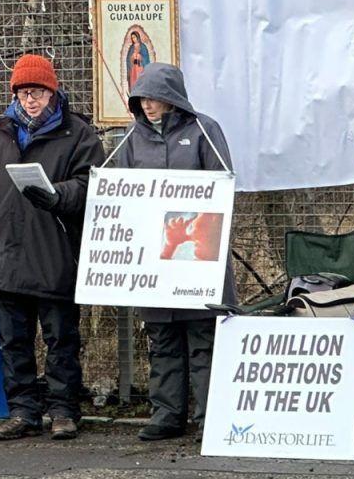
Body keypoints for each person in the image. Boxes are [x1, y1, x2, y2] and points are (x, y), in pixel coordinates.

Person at [0, 54, 104, 441]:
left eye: (38, 92)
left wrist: (56, 195)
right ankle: (22, 411)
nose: (31, 100)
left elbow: (91, 184)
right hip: (4, 251)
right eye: (24, 93)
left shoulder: (77, 133)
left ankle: (63, 410)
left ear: (52, 91)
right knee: (13, 340)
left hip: (55, 250)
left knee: (61, 337)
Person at [113, 62, 235, 441]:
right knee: (162, 338)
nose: (148, 106)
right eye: (142, 100)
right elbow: (119, 190)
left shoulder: (204, 131)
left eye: (154, 99)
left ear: (172, 99)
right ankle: (166, 414)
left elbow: (223, 187)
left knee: (203, 340)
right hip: (155, 258)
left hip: (198, 257)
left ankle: (207, 415)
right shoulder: (132, 138)